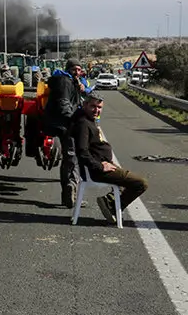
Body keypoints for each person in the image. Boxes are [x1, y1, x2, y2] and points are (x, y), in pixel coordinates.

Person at [73, 93, 148, 223]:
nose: (97, 110)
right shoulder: (83, 124)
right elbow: (82, 152)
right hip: (98, 171)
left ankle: (110, 201)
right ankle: (111, 205)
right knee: (141, 183)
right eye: (93, 106)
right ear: (85, 105)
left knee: (128, 181)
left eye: (100, 107)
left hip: (102, 166)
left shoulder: (89, 120)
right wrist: (101, 166)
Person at [43, 57, 87, 208]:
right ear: (68, 69)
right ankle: (71, 189)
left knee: (71, 157)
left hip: (65, 124)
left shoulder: (71, 81)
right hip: (66, 125)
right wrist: (75, 120)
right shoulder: (64, 82)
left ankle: (70, 191)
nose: (77, 72)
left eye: (79, 69)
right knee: (73, 157)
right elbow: (64, 104)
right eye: (74, 69)